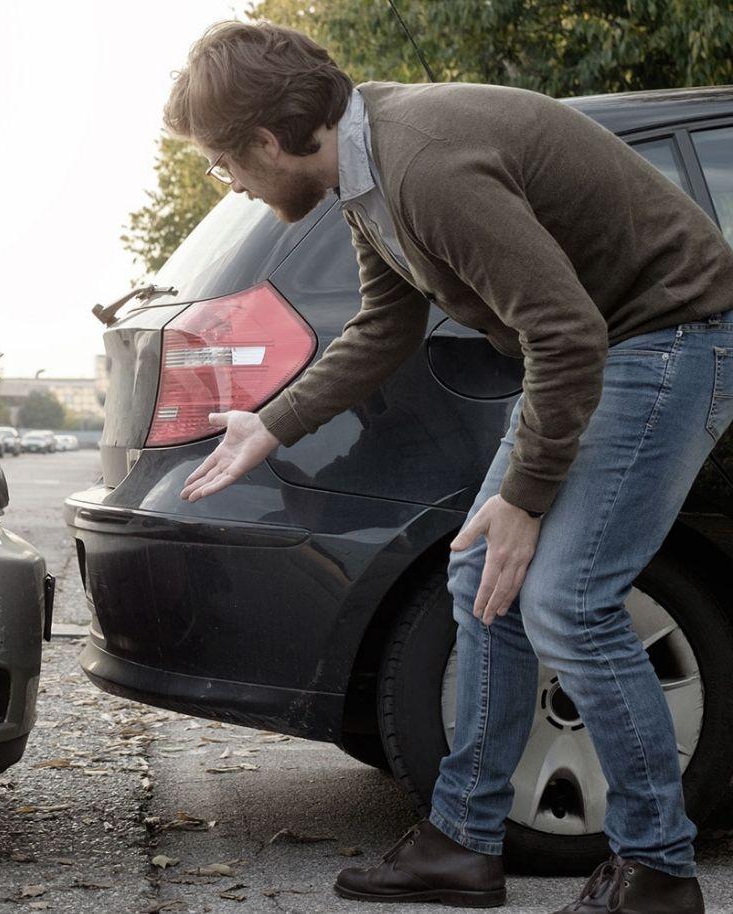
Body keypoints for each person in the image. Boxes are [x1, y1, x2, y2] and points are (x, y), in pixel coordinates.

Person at [167, 20, 733, 914]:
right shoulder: (363, 176)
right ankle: (461, 844)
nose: (228, 181)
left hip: (667, 338)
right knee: (480, 575)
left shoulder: (423, 164)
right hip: (605, 346)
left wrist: (525, 496)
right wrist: (269, 426)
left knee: (567, 600)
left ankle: (657, 871)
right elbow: (384, 328)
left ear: (268, 140)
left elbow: (565, 331)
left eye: (221, 163)